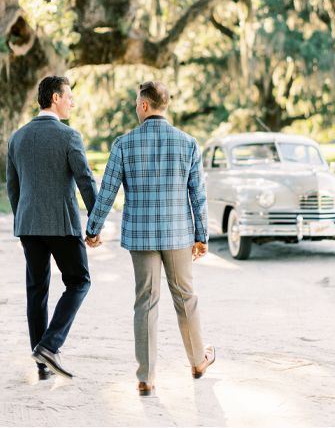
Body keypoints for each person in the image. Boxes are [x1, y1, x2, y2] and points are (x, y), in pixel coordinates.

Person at [86, 81, 215, 396]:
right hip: (178, 235)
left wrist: (93, 228)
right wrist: (202, 236)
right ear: (164, 105)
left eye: (135, 103)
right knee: (185, 297)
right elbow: (198, 196)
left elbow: (107, 192)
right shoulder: (188, 144)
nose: (135, 107)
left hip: (141, 236)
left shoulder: (123, 144)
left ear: (144, 105)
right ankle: (198, 362)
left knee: (145, 303)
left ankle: (146, 377)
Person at [6, 76, 97, 380]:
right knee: (79, 281)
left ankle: (42, 367)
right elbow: (85, 180)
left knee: (37, 292)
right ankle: (50, 345)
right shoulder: (69, 136)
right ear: (56, 98)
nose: (72, 102)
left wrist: (22, 218)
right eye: (69, 96)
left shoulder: (17, 137)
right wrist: (94, 223)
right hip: (61, 224)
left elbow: (13, 187)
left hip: (29, 225)